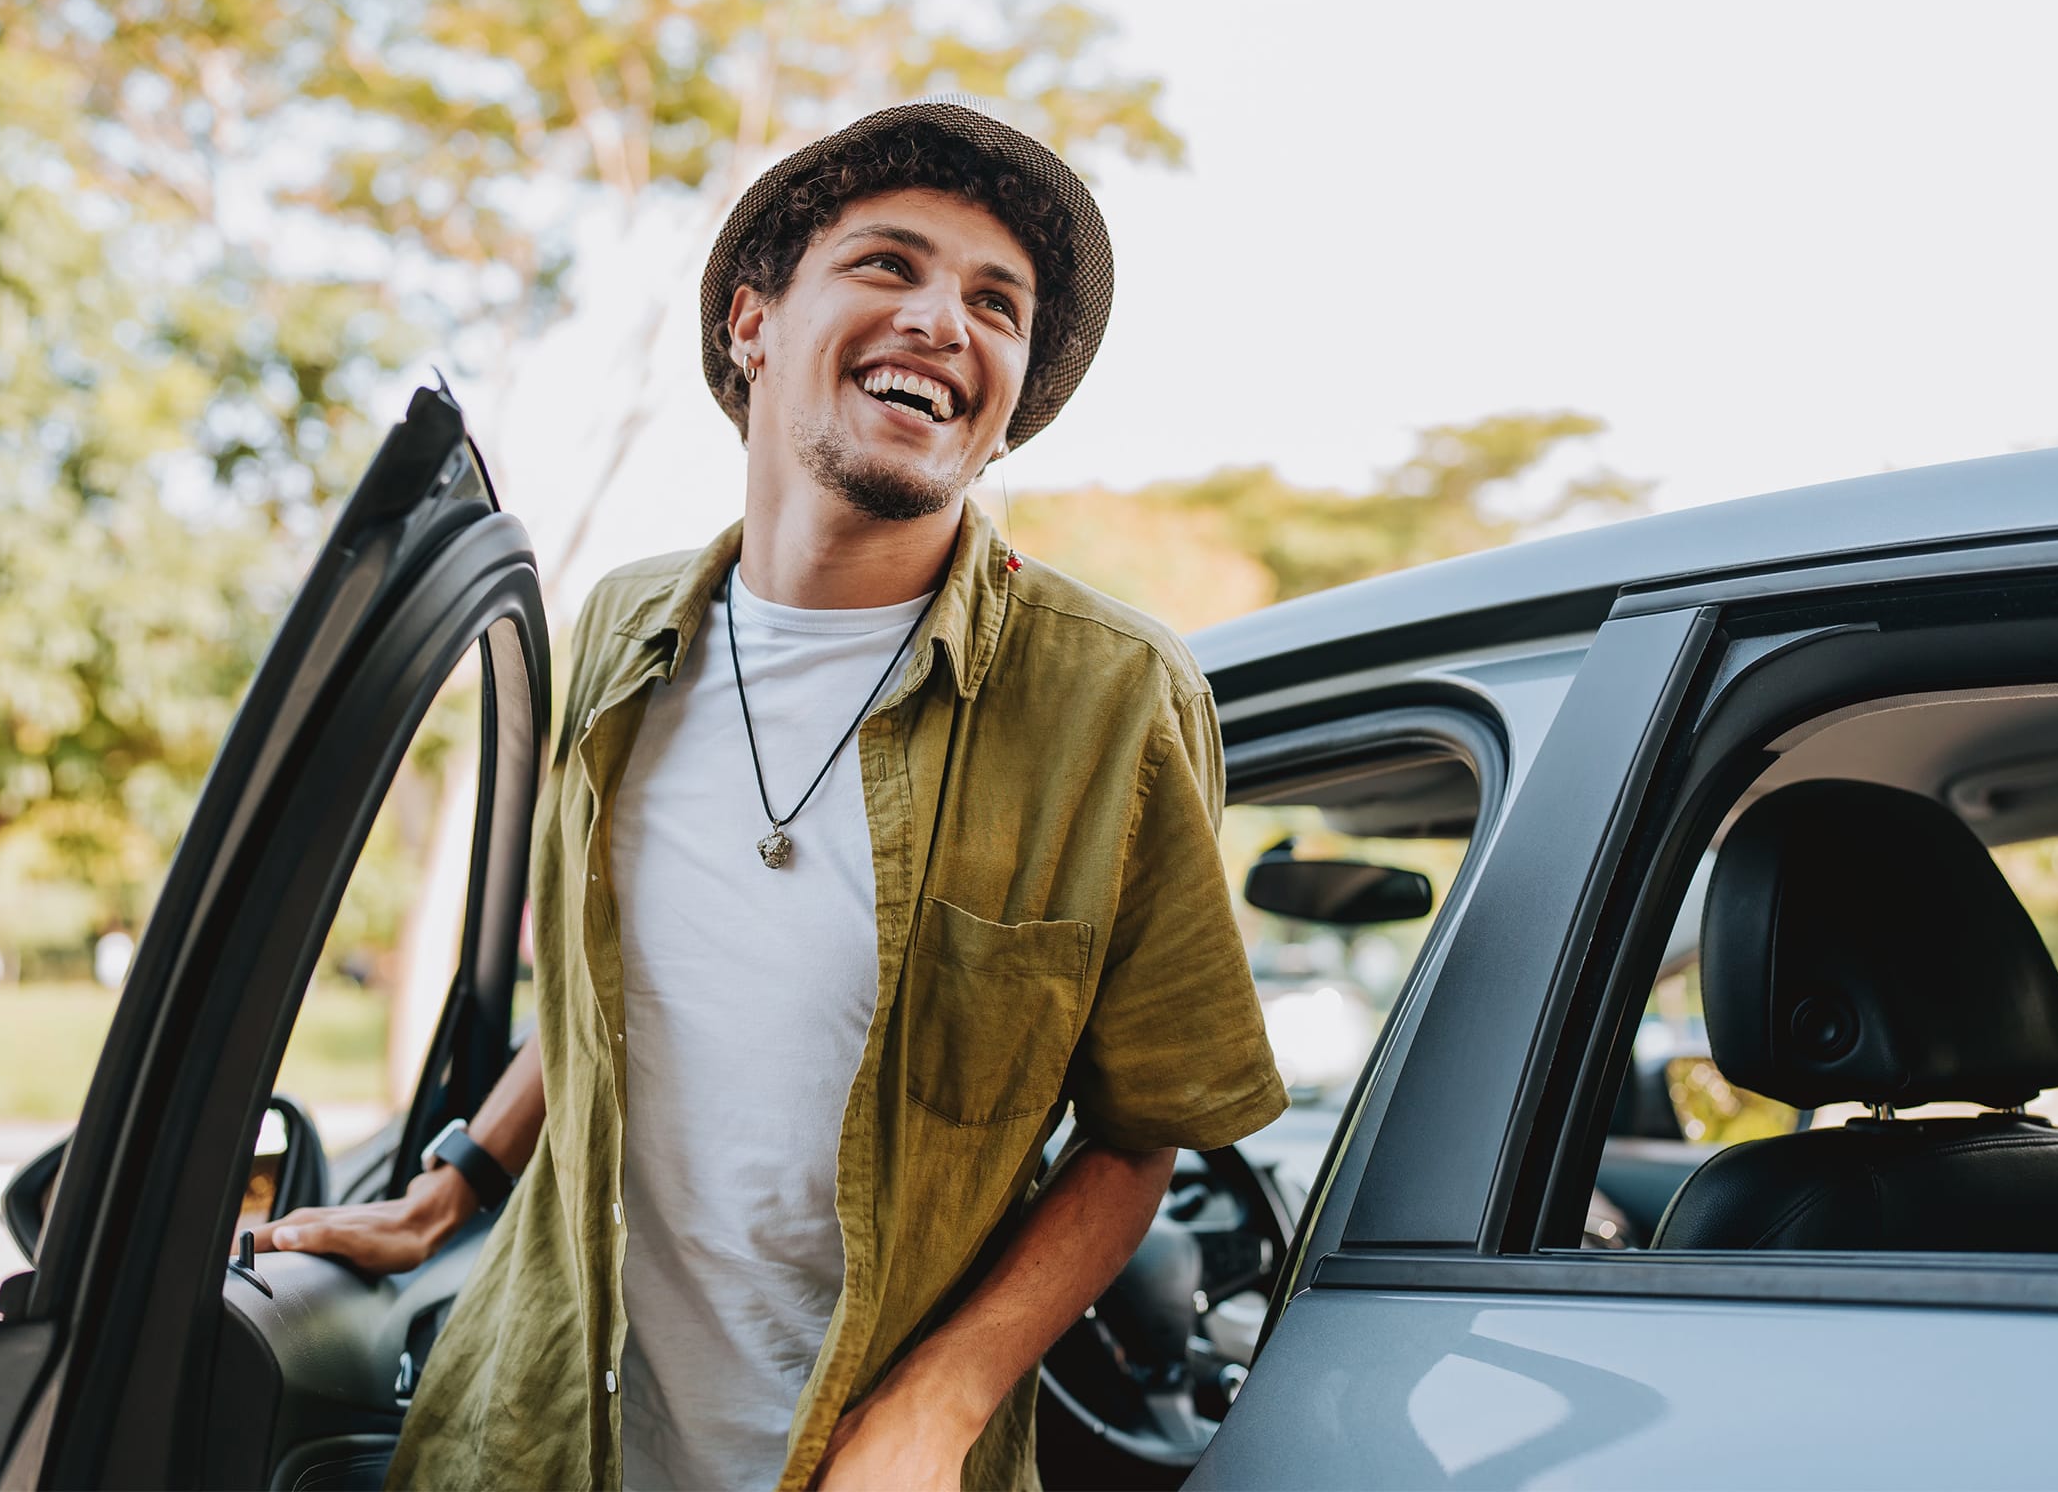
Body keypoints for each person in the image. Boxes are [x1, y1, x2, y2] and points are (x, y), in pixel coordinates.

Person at [252, 100, 1287, 1492]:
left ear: (1007, 404)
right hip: (536, 1438)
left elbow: (1137, 1132)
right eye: (888, 264)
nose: (944, 320)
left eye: (997, 302)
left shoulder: (1111, 700)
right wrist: (447, 1189)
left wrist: (939, 1410)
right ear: (753, 323)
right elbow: (610, 984)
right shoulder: (620, 631)